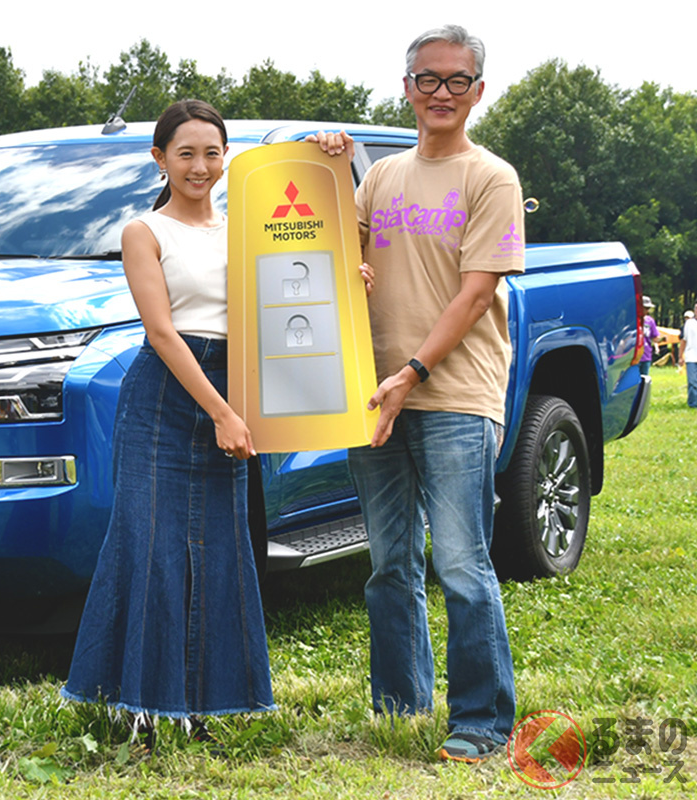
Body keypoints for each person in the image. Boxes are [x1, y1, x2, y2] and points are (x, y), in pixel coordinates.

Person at [312, 24, 521, 762]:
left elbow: (473, 295)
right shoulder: (383, 176)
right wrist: (335, 171)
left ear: (477, 93)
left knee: (462, 564)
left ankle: (482, 721)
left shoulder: (490, 177)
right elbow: (334, 250)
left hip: (453, 393)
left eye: (455, 81)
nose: (440, 93)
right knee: (389, 563)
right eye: (427, 80)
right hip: (372, 395)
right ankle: (401, 707)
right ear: (406, 89)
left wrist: (414, 373)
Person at [60, 100, 274, 751]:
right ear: (160, 158)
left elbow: (289, 297)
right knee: (151, 549)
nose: (200, 166)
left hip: (228, 391)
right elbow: (161, 331)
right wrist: (222, 412)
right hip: (165, 399)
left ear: (226, 157)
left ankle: (198, 706)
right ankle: (141, 711)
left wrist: (351, 279)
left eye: (212, 152)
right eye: (186, 153)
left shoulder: (245, 230)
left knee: (214, 551)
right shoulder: (144, 231)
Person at [681, 303, 697, 407]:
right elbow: (684, 340)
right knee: (692, 381)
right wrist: (680, 356)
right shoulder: (689, 323)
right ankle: (693, 403)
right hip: (691, 356)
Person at [640, 296, 659, 376]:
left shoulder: (650, 321)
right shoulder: (633, 319)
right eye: (645, 308)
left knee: (644, 378)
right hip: (634, 356)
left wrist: (656, 347)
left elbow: (655, 336)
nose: (647, 310)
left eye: (648, 308)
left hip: (646, 354)